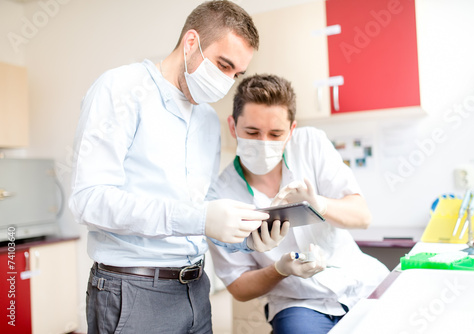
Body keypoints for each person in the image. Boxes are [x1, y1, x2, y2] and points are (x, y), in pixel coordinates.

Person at [69, 2, 288, 333]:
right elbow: (89, 200)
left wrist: (245, 239)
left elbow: (200, 211)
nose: (227, 82)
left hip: (195, 290)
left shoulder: (207, 120)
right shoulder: (121, 89)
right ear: (191, 43)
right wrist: (200, 218)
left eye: (236, 74)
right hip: (133, 290)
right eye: (223, 65)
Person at [208, 74, 390, 334]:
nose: (263, 143)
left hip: (360, 282)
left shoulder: (311, 144)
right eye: (252, 132)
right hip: (297, 302)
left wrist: (319, 204)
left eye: (275, 133)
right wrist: (280, 270)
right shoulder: (220, 196)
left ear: (291, 130)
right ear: (232, 126)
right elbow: (238, 286)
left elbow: (362, 216)